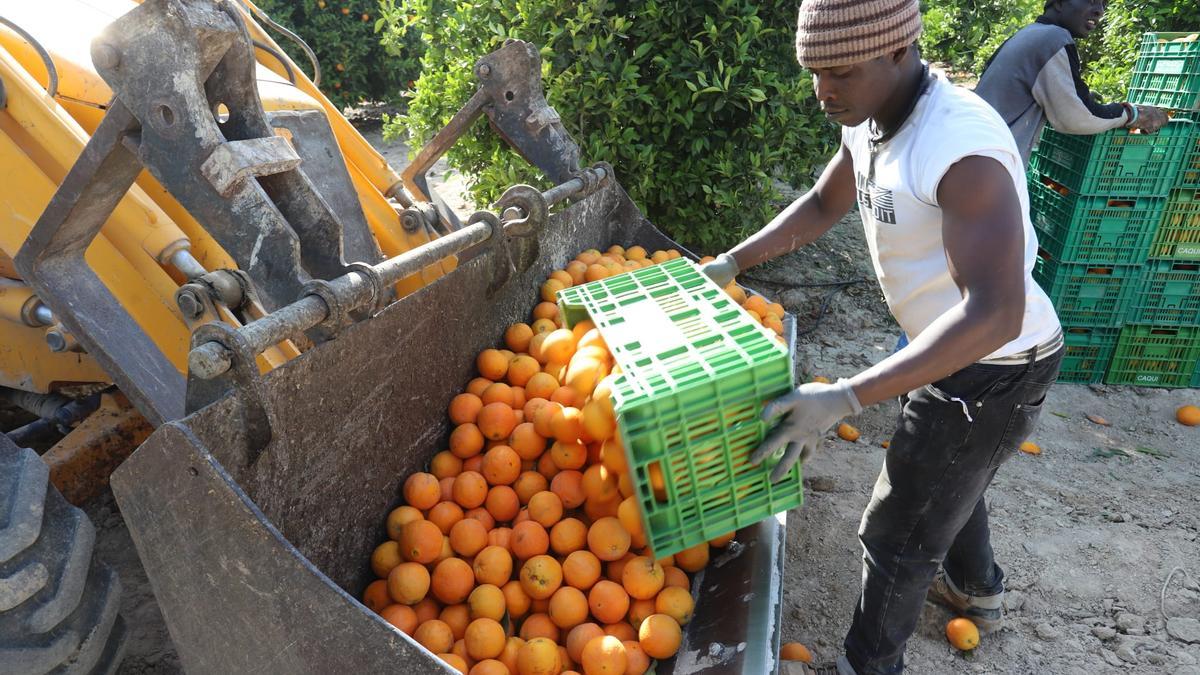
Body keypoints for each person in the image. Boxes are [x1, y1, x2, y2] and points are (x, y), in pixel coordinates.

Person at [701, 1, 1064, 673]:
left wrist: (843, 396)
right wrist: (732, 262)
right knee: (951, 473)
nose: (822, 92)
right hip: (943, 343)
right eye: (813, 73)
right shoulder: (867, 117)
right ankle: (977, 588)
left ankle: (870, 663)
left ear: (900, 52)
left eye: (838, 71)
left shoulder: (960, 147)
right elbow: (821, 204)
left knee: (895, 533)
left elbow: (994, 313)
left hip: (995, 365)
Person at [975, 0, 1169, 167]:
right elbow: (1079, 116)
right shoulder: (1054, 39)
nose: (1099, 11)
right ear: (1059, 2)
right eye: (1091, 1)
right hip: (990, 165)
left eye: (1104, 4)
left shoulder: (1029, 34)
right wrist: (1133, 114)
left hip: (977, 152)